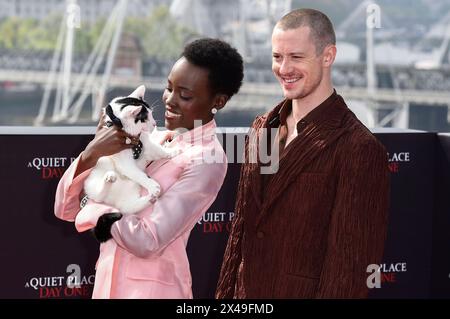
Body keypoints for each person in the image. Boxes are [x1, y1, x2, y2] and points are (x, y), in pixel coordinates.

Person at [216, 8, 390, 298]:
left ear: (328, 56)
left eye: (296, 57)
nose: (284, 68)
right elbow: (239, 235)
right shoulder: (262, 128)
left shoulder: (359, 148)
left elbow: (348, 272)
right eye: (277, 57)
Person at [54, 38, 244, 298]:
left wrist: (95, 207)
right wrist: (92, 153)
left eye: (185, 95)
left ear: (218, 101)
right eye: (169, 88)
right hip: (107, 288)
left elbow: (148, 240)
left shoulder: (207, 159)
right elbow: (66, 209)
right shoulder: (151, 137)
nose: (170, 100)